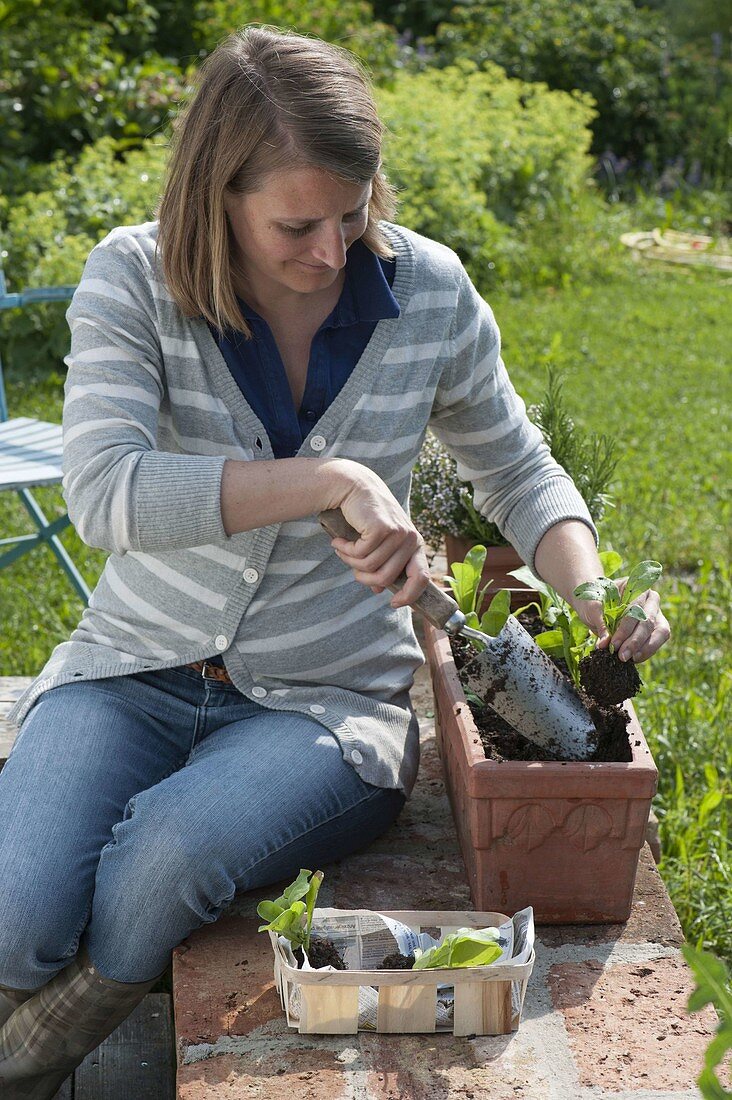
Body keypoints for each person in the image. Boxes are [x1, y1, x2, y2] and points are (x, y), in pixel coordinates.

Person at [0, 24, 669, 1094]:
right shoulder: (133, 276)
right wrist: (329, 478)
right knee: (13, 916)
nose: (330, 250)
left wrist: (595, 593)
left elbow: (519, 468)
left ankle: (40, 1058)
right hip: (129, 666)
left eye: (352, 214)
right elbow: (105, 490)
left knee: (160, 862)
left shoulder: (430, 293)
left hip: (325, 704)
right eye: (294, 225)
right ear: (216, 196)